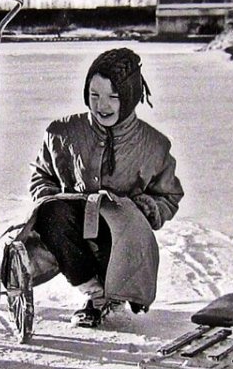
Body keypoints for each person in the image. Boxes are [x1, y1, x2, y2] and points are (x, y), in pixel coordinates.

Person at [27, 47, 184, 327]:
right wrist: (50, 201)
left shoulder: (154, 145)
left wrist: (149, 208)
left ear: (130, 97)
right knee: (54, 214)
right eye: (94, 95)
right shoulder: (62, 133)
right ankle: (95, 295)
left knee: (118, 224)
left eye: (114, 96)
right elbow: (42, 174)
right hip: (71, 231)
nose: (102, 105)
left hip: (119, 237)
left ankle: (119, 292)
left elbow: (169, 195)